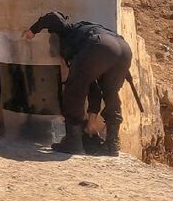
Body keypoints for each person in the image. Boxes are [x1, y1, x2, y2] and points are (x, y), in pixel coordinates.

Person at [23, 12, 133, 156]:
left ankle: (73, 141)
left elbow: (53, 17)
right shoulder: (83, 36)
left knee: (73, 90)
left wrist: (32, 31)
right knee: (110, 93)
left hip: (99, 45)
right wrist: (91, 121)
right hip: (124, 49)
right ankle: (112, 144)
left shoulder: (68, 30)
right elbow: (95, 89)